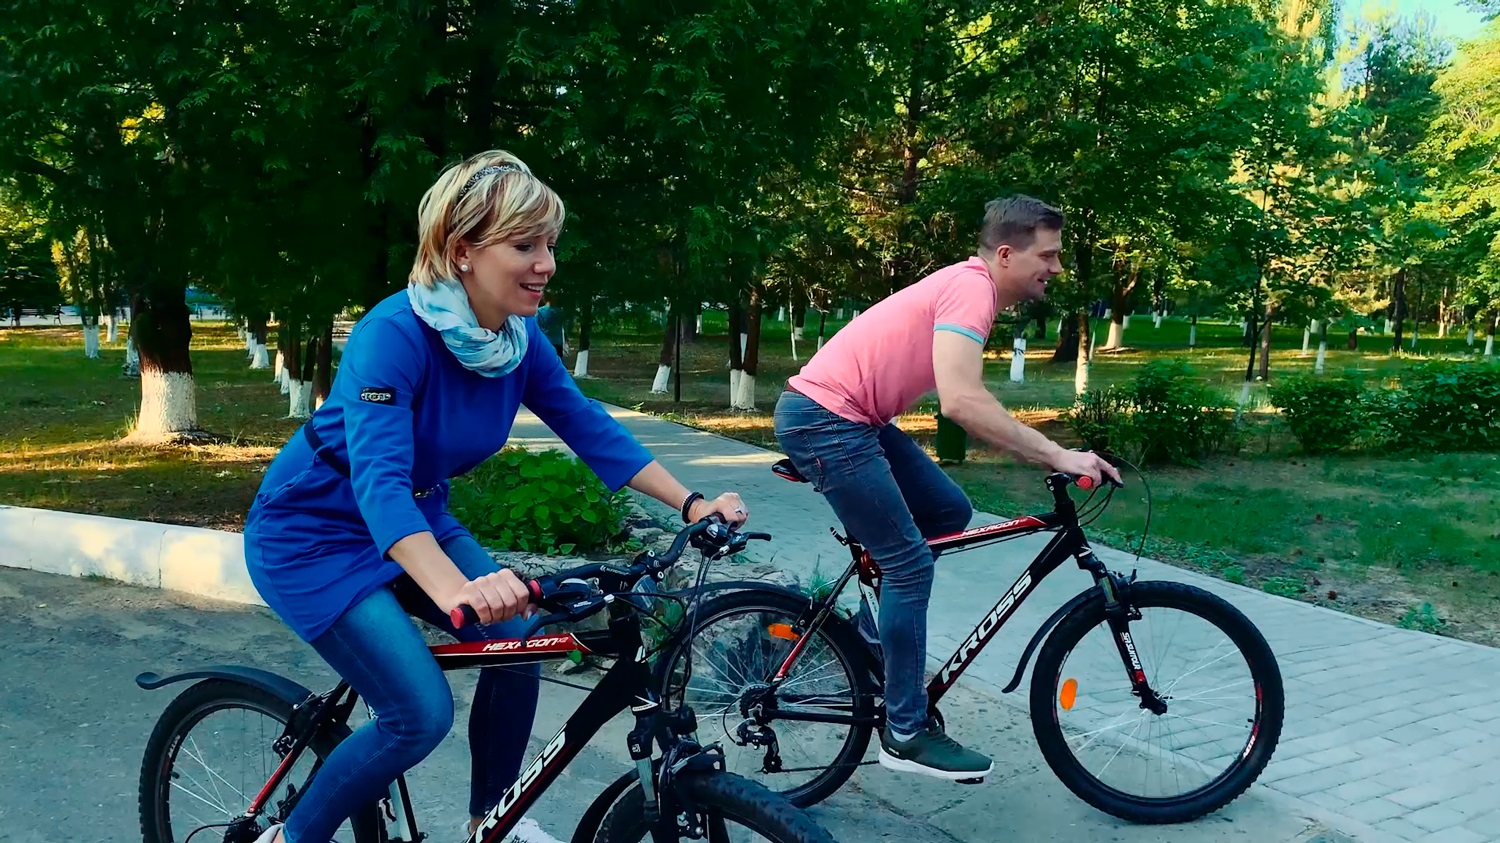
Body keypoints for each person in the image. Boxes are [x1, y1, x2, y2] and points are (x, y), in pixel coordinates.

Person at [243, 150, 750, 843]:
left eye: (550, 245)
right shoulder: (393, 336)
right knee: (418, 714)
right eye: (525, 245)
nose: (546, 263)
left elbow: (585, 424)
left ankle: (492, 820)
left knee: (518, 645)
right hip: (314, 535)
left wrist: (692, 504)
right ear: (462, 251)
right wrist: (460, 589)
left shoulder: (516, 338)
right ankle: (292, 836)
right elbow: (378, 484)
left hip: (417, 517)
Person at [773, 195, 1120, 782]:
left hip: (850, 420)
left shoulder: (970, 286)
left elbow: (964, 395)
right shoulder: (971, 289)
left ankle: (874, 637)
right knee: (909, 565)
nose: (1057, 267)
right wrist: (1058, 453)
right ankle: (905, 733)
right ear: (1006, 254)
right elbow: (961, 401)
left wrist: (1041, 449)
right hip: (827, 421)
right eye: (1048, 255)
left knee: (947, 509)